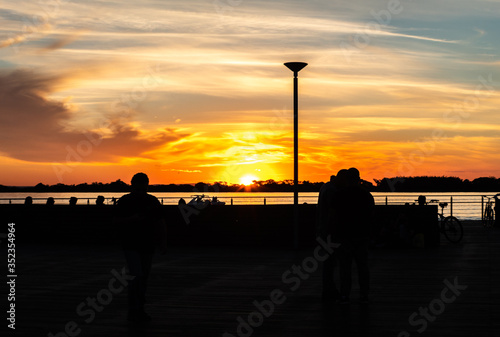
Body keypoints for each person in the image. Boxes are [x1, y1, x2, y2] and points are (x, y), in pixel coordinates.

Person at [114, 172, 167, 322]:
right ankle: (134, 309)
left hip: (146, 244)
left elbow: (160, 223)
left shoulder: (152, 201)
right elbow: (116, 220)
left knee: (142, 277)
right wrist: (132, 219)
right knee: (137, 276)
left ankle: (138, 309)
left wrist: (163, 242)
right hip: (132, 244)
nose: (140, 190)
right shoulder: (126, 201)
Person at [330, 167, 374, 304]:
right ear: (358, 179)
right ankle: (364, 294)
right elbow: (371, 216)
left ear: (347, 179)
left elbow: (333, 216)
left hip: (344, 236)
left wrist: (333, 233)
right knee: (363, 267)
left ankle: (344, 295)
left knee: (345, 268)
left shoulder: (339, 195)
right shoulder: (366, 195)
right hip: (362, 235)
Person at [316, 174, 340, 302]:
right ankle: (329, 290)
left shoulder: (325, 187)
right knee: (330, 263)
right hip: (330, 232)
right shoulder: (332, 190)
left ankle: (329, 290)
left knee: (329, 263)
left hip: (324, 230)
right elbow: (333, 211)